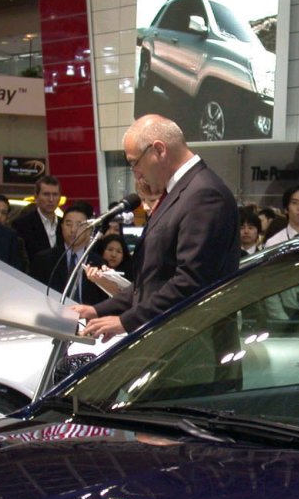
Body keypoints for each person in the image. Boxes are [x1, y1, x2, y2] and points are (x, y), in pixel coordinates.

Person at [75, 114, 239, 338]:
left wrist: (125, 321)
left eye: (134, 163)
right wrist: (97, 310)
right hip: (172, 341)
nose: (136, 172)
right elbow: (153, 282)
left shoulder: (204, 194)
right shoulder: (182, 192)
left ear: (159, 150)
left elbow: (191, 282)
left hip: (193, 347)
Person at [31, 202, 97, 303]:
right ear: (61, 227)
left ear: (89, 229)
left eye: (79, 225)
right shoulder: (44, 259)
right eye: (68, 224)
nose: (73, 230)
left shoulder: (98, 263)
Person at [13, 176, 66, 262]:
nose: (51, 199)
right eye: (46, 194)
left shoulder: (64, 224)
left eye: (55, 194)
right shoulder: (22, 224)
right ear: (36, 197)